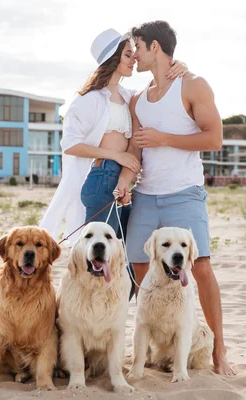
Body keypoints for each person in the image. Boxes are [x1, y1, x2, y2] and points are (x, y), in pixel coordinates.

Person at [114, 20, 235, 376]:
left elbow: (214, 139)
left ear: (154, 47)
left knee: (201, 268)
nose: (134, 54)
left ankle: (219, 350)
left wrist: (165, 138)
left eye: (137, 46)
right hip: (146, 196)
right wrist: (124, 180)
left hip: (184, 193)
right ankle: (116, 348)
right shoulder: (137, 100)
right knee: (135, 271)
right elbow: (136, 148)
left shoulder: (193, 85)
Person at [39, 28, 188, 301]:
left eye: (134, 54)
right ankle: (84, 317)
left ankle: (108, 316)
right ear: (112, 60)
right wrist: (116, 156)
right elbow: (70, 144)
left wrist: (179, 67)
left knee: (129, 255)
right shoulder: (88, 100)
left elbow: (159, 91)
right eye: (128, 55)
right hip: (99, 179)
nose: (134, 60)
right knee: (97, 257)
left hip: (120, 180)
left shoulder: (129, 94)